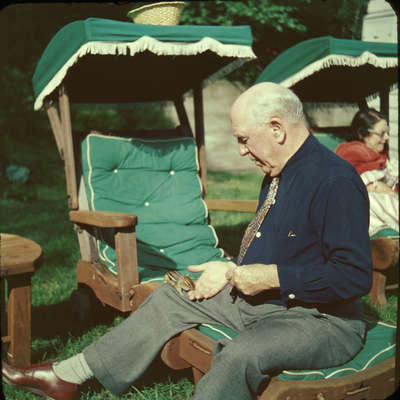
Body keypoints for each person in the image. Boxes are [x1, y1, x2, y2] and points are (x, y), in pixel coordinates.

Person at [2, 82, 373, 400]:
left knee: (241, 353)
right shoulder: (280, 169)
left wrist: (270, 277)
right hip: (270, 304)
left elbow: (354, 277)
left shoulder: (333, 181)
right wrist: (230, 270)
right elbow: (289, 251)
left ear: (276, 129)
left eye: (244, 139)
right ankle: (68, 374)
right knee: (170, 296)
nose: (242, 150)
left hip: (325, 322)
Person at [335, 108, 398, 236]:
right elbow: (370, 185)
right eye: (381, 134)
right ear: (362, 134)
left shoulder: (379, 156)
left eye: (387, 133)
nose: (386, 138)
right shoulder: (351, 154)